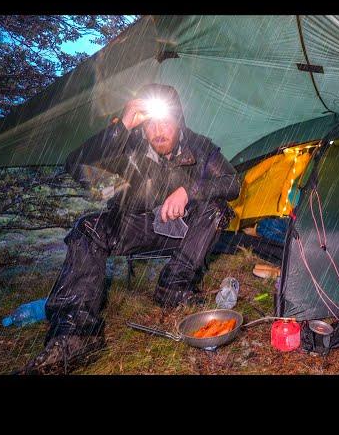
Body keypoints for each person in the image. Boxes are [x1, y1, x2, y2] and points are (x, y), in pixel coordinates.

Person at [20, 84, 240, 374]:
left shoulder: (199, 146)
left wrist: (189, 189)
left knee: (218, 211)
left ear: (179, 121)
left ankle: (173, 288)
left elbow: (232, 183)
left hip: (185, 231)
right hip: (137, 224)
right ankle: (74, 335)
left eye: (166, 121)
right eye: (151, 123)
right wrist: (121, 127)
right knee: (88, 227)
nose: (159, 131)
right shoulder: (129, 141)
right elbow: (75, 165)